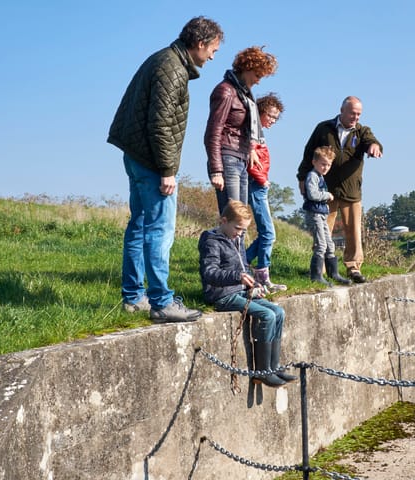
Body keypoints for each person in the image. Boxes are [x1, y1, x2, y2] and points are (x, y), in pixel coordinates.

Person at [107, 16, 223, 323]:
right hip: (151, 162)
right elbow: (160, 124)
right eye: (212, 49)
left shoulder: (164, 59)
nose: (212, 56)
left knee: (140, 227)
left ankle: (133, 298)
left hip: (136, 155)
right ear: (200, 44)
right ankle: (161, 302)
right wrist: (167, 169)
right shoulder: (172, 69)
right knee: (159, 230)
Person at [198, 200, 296, 387]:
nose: (240, 233)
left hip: (239, 290)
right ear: (223, 221)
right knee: (267, 315)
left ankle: (273, 366)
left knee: (279, 312)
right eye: (238, 228)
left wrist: (253, 285)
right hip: (222, 295)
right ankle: (261, 372)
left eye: (243, 230)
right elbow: (209, 272)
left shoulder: (236, 238)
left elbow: (243, 267)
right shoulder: (211, 241)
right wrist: (238, 277)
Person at [296, 96, 383, 283]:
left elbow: (372, 141)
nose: (355, 117)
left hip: (351, 191)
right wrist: (302, 177)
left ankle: (353, 268)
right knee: (322, 230)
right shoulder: (324, 128)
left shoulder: (362, 132)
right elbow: (308, 153)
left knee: (353, 232)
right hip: (326, 190)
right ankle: (321, 269)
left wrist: (375, 147)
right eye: (352, 113)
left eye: (359, 114)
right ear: (342, 110)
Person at [204, 46, 278, 215]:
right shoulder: (226, 91)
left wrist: (250, 149)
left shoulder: (244, 94)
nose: (259, 81)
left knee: (241, 218)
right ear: (246, 68)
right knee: (232, 217)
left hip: (241, 158)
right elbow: (213, 131)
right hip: (227, 157)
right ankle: (215, 242)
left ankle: (238, 243)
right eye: (258, 75)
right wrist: (216, 170)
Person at [245, 93, 287, 292]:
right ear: (259, 112)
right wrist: (262, 180)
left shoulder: (260, 132)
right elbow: (250, 158)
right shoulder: (254, 132)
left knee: (266, 233)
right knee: (268, 233)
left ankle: (243, 263)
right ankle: (261, 275)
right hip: (256, 185)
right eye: (270, 115)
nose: (272, 120)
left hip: (259, 185)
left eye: (275, 118)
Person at [303, 146, 351, 286]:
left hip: (322, 214)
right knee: (321, 244)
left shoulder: (320, 177)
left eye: (328, 165)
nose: (326, 167)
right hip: (314, 214)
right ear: (314, 162)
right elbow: (312, 194)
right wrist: (327, 195)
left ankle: (333, 273)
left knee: (330, 244)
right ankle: (316, 275)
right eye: (323, 164)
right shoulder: (312, 176)